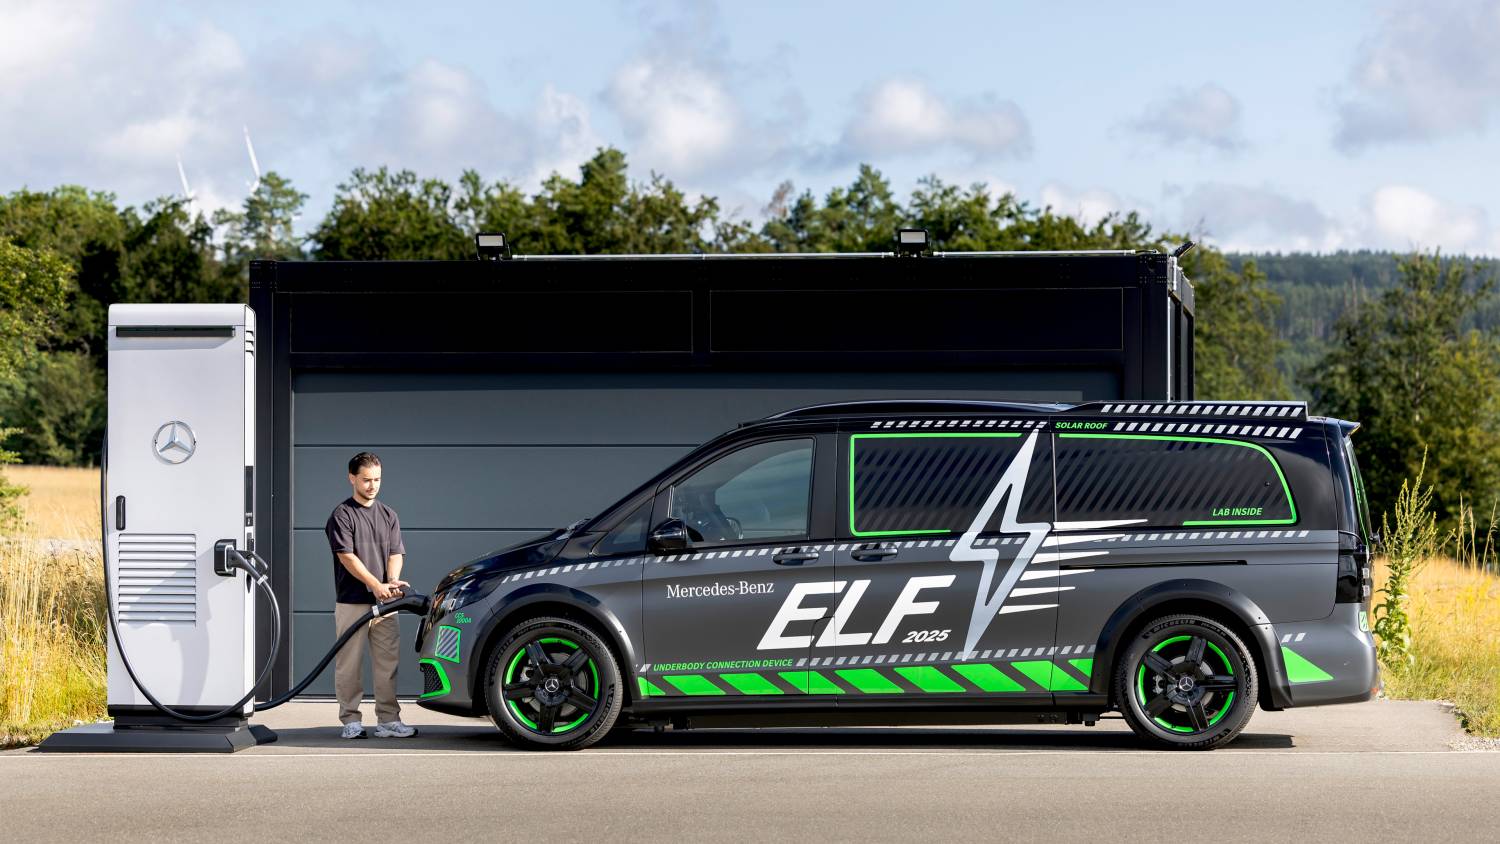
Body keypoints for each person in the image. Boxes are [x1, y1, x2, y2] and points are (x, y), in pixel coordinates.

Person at [325, 451, 417, 739]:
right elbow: (347, 557)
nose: (372, 485)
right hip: (352, 601)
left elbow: (395, 552)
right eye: (366, 480)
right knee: (349, 664)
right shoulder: (342, 515)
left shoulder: (389, 515)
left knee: (387, 663)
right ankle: (351, 720)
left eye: (377, 479)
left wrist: (391, 581)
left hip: (386, 602)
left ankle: (388, 720)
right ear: (352, 478)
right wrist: (375, 584)